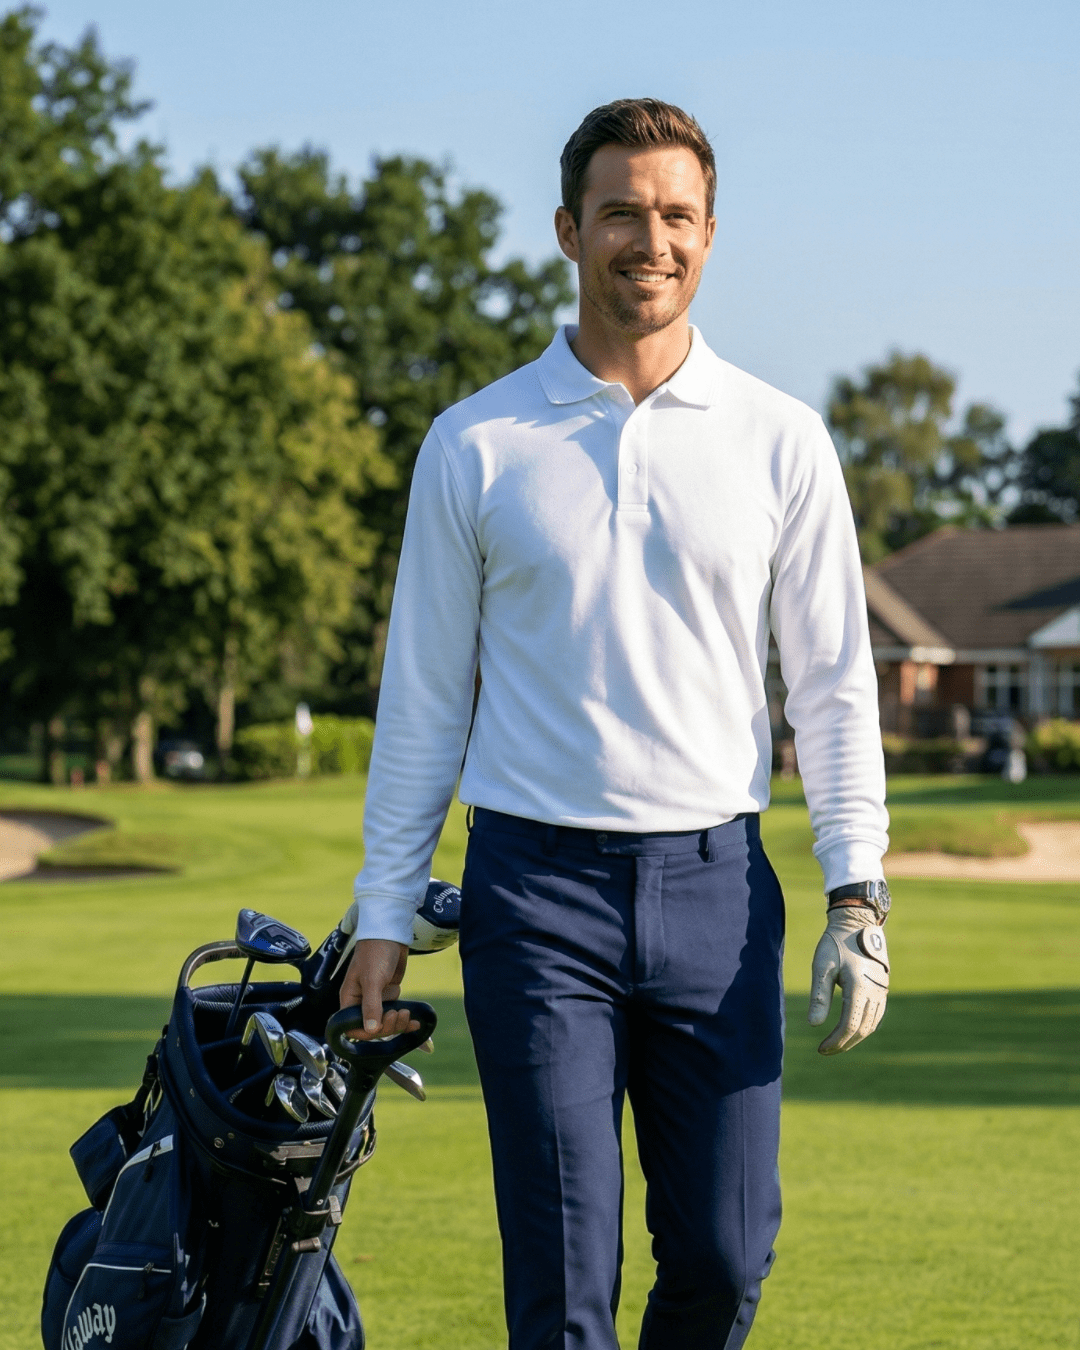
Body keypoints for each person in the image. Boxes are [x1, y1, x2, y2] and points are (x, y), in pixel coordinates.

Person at [339, 98, 891, 1350]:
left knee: (725, 1253)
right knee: (565, 1278)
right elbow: (424, 698)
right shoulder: (473, 444)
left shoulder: (783, 441)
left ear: (710, 233)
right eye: (623, 213)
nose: (653, 238)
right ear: (569, 232)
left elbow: (834, 685)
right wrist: (385, 905)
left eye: (677, 214)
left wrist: (858, 893)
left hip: (718, 892)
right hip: (535, 897)